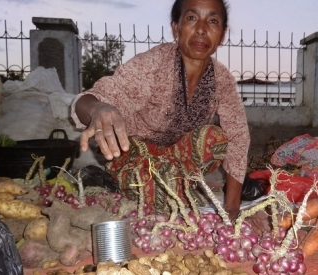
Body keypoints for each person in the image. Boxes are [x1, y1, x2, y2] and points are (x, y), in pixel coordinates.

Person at [71, 0, 250, 221]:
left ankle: (177, 186)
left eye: (213, 21)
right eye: (192, 18)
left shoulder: (222, 79)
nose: (202, 29)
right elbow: (92, 98)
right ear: (176, 28)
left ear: (222, 34)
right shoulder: (153, 65)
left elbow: (238, 136)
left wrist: (231, 206)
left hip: (177, 159)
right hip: (135, 157)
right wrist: (98, 109)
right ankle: (146, 187)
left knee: (215, 138)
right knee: (161, 198)